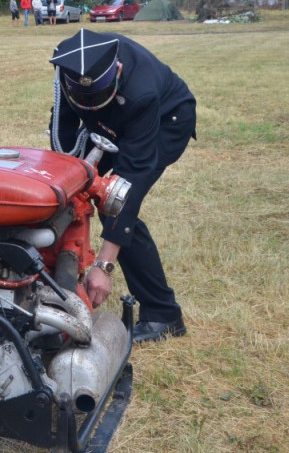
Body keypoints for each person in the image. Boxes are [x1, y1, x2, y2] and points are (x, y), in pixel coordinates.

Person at [48, 28, 195, 343]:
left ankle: (163, 315)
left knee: (112, 202)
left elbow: (131, 181)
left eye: (97, 98)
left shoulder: (143, 92)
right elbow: (61, 132)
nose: (90, 107)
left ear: (117, 71)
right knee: (75, 191)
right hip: (109, 126)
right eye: (83, 100)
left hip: (167, 122)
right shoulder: (67, 65)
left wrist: (105, 263)